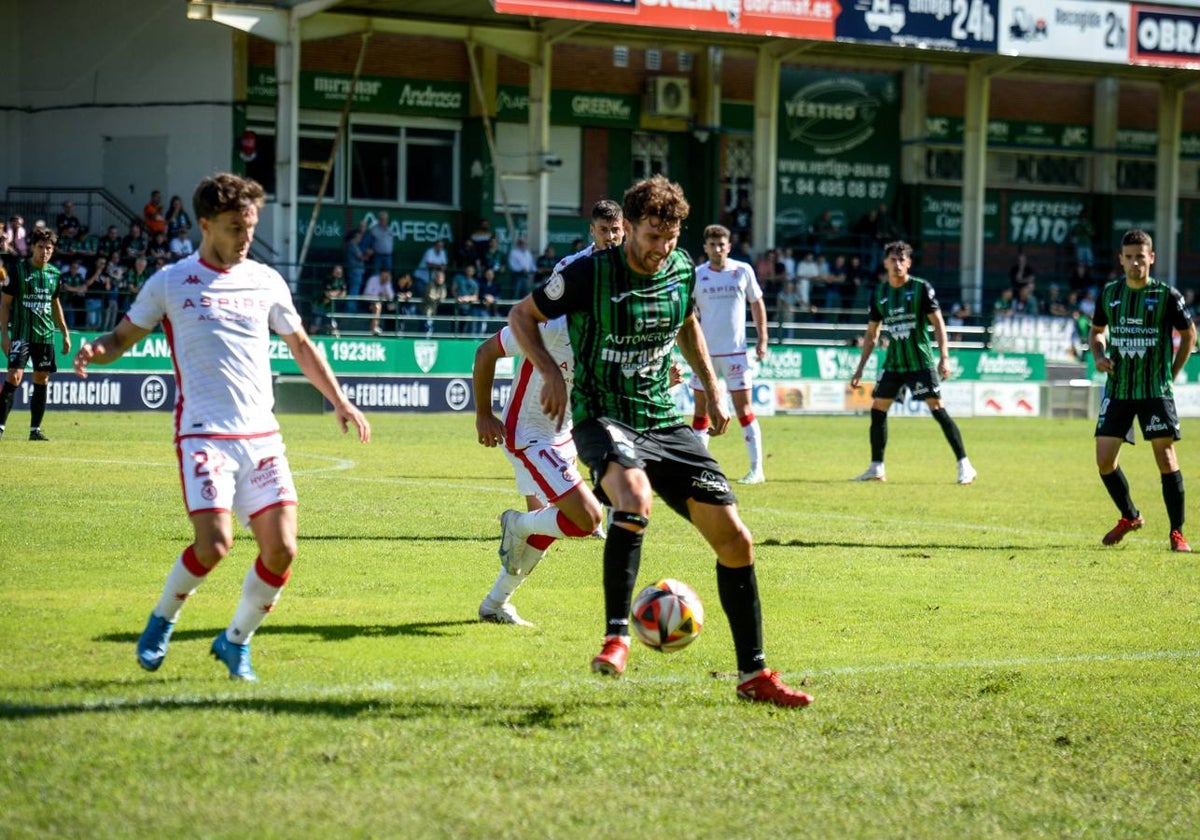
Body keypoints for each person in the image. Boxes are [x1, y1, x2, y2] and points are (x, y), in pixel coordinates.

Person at [507, 174, 812, 708]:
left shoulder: (679, 269)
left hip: (663, 420)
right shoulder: (587, 273)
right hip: (603, 415)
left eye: (670, 238)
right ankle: (618, 636)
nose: (661, 248)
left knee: (736, 539)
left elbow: (688, 323)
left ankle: (754, 676)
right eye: (651, 236)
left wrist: (710, 388)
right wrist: (550, 373)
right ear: (627, 229)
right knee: (633, 499)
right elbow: (522, 316)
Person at [72, 172, 371, 681]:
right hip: (204, 433)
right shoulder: (171, 281)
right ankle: (162, 619)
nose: (246, 237)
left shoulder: (266, 280)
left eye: (251, 226)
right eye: (236, 227)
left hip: (262, 437)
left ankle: (236, 641)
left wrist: (340, 400)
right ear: (206, 225)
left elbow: (300, 346)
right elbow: (122, 337)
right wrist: (95, 350)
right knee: (214, 545)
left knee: (282, 549)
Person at [475, 199, 625, 626]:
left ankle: (495, 603)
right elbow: (486, 352)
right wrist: (483, 415)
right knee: (585, 518)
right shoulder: (550, 324)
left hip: (562, 432)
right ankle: (516, 524)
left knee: (550, 530)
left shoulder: (606, 331)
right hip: (527, 434)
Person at [1089, 229, 1197, 552]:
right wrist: (1098, 355)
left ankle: (1177, 533)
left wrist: (1172, 374)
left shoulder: (1166, 295)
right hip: (1119, 388)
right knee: (1104, 461)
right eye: (1130, 257)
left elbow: (1188, 334)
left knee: (1165, 458)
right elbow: (1097, 331)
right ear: (1121, 260)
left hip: (1154, 389)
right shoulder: (1109, 294)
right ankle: (1130, 516)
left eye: (1141, 256)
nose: (1136, 262)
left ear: (1152, 258)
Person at [848, 240, 976, 485]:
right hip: (895, 364)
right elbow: (872, 333)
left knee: (937, 410)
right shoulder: (880, 294)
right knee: (878, 410)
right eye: (893, 260)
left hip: (920, 362)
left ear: (909, 263)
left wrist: (944, 357)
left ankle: (965, 465)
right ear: (885, 263)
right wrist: (860, 368)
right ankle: (876, 468)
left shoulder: (920, 289)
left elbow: (938, 323)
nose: (897, 264)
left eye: (901, 259)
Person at [689, 223, 770, 485]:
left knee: (744, 409)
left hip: (735, 354)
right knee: (700, 412)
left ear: (729, 246)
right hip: (704, 355)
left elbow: (756, 303)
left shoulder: (742, 271)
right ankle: (702, 471)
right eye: (712, 244)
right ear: (705, 247)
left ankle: (757, 470)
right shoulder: (697, 275)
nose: (717, 249)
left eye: (721, 244)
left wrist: (763, 338)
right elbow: (689, 313)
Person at [0, 227, 71, 441]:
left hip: (45, 335)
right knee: (14, 376)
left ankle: (35, 430)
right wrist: (4, 334)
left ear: (53, 250)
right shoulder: (18, 271)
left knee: (42, 378)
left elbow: (55, 305)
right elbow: (5, 305)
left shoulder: (55, 275)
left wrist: (65, 333)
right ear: (32, 247)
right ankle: (0, 427)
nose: (44, 252)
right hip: (21, 334)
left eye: (48, 248)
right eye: (40, 247)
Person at [310, 264, 347, 336]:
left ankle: (337, 341)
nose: (339, 273)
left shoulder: (342, 281)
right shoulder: (328, 280)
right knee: (315, 326)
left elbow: (344, 294)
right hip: (320, 306)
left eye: (340, 272)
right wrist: (338, 292)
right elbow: (328, 294)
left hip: (330, 308)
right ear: (333, 271)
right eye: (337, 271)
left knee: (333, 326)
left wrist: (336, 293)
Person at [363, 267, 395, 336]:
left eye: (387, 276)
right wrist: (379, 297)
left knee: (393, 307)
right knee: (377, 306)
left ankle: (392, 331)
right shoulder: (373, 280)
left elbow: (391, 297)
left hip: (382, 304)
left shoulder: (387, 283)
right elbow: (366, 294)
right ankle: (374, 327)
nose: (385, 277)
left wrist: (386, 285)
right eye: (384, 276)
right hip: (369, 302)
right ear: (381, 274)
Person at [368, 211, 393, 276]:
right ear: (379, 220)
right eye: (382, 219)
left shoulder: (389, 230)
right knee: (376, 274)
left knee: (387, 274)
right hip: (377, 256)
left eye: (385, 219)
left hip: (388, 256)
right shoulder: (373, 230)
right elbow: (369, 243)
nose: (383, 221)